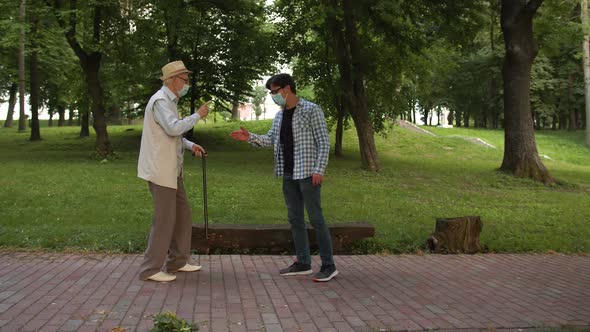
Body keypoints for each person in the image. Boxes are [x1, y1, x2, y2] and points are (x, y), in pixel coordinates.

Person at [230, 73, 338, 282]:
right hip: (288, 173)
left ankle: (329, 265)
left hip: (308, 173)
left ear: (287, 89)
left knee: (316, 219)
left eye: (274, 91)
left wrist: (319, 170)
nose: (273, 96)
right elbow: (270, 140)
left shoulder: (311, 110)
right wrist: (249, 137)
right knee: (295, 218)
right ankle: (303, 263)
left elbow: (323, 142)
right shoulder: (280, 116)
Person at [137, 60, 210, 282]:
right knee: (165, 219)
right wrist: (198, 115)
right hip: (161, 171)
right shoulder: (160, 101)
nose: (187, 83)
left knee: (182, 214)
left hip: (171, 170)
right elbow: (173, 127)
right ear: (173, 80)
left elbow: (172, 133)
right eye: (184, 79)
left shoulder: (169, 102)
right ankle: (150, 269)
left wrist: (189, 145)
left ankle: (178, 261)